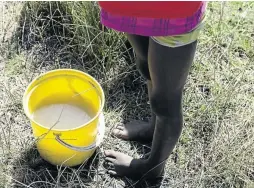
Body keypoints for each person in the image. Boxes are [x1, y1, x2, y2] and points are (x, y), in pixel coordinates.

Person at [98, 1, 207, 179]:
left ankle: (151, 169)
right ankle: (152, 128)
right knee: (145, 66)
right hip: (130, 6)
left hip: (174, 12)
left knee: (165, 102)